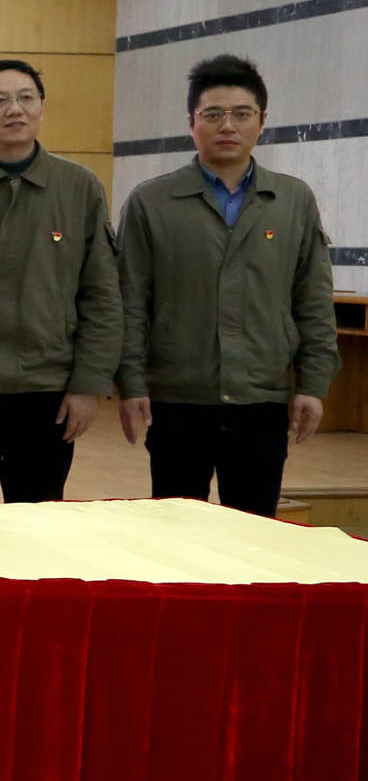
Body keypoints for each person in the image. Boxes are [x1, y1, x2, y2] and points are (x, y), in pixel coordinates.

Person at [118, 53, 335, 517]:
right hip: (178, 401)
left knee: (254, 532)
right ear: (191, 123)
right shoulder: (152, 202)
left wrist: (313, 384)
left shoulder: (292, 200)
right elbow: (131, 302)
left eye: (241, 113)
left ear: (262, 121)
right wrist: (131, 384)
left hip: (261, 400)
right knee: (176, 530)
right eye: (213, 114)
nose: (228, 126)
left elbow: (312, 301)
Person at [0, 59, 122, 503]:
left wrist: (88, 385)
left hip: (47, 393)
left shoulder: (79, 188)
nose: (14, 109)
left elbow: (101, 296)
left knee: (39, 523)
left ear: (41, 108)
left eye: (26, 98)